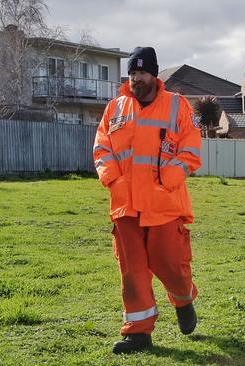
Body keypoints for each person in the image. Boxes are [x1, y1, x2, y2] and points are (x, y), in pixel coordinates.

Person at [93, 46, 202, 354]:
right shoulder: (115, 108)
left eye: (142, 73)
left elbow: (191, 149)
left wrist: (169, 178)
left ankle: (184, 299)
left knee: (171, 265)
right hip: (125, 206)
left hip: (164, 205)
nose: (136, 79)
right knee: (132, 272)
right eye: (132, 73)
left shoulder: (177, 106)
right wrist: (112, 179)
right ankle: (138, 333)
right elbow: (102, 148)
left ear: (154, 75)